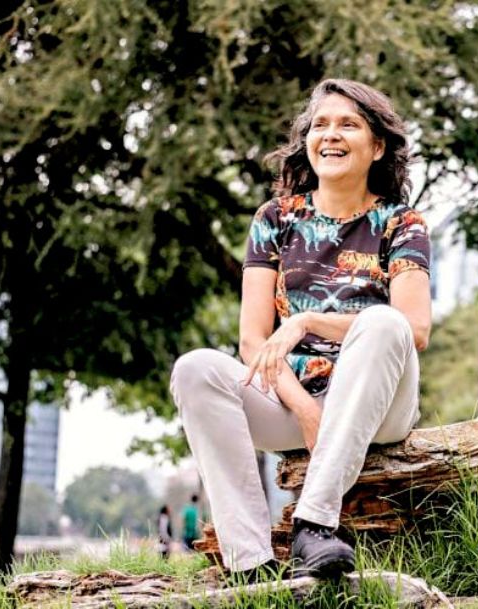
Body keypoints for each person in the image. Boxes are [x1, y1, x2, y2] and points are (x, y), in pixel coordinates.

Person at [169, 78, 431, 582]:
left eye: (348, 125)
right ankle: (250, 563)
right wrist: (308, 411)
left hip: (379, 404)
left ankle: (314, 524)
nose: (330, 135)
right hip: (292, 402)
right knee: (196, 368)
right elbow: (252, 341)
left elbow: (414, 329)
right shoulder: (275, 219)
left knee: (383, 322)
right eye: (321, 125)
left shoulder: (402, 222)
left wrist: (307, 321)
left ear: (377, 146)